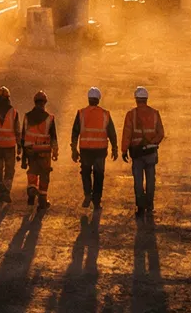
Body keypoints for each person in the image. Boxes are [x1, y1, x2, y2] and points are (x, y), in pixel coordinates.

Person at [70, 87, 117, 209]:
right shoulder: (105, 114)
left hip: (85, 150)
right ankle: (97, 200)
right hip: (100, 150)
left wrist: (73, 149)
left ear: (88, 99)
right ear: (98, 99)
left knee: (85, 173)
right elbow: (112, 132)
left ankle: (87, 194)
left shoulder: (81, 113)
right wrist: (115, 149)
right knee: (99, 174)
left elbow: (75, 132)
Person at [120, 86, 164, 218]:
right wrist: (153, 143)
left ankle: (140, 207)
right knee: (151, 180)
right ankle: (149, 205)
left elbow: (127, 134)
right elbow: (161, 133)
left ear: (136, 99)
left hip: (137, 153)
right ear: (146, 99)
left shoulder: (131, 115)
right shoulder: (155, 113)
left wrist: (124, 150)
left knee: (138, 181)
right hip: (151, 153)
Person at [21, 91, 58, 209]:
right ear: (44, 102)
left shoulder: (27, 116)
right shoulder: (49, 118)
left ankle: (31, 190)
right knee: (44, 174)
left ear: (35, 102)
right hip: (44, 151)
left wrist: (23, 156)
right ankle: (42, 200)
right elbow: (53, 137)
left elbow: (23, 136)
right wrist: (55, 151)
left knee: (32, 170)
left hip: (30, 150)